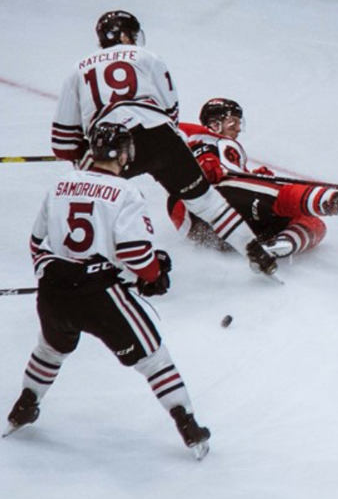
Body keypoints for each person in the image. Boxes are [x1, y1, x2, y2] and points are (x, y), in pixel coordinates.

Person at [4, 123, 211, 460]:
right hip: (101, 296)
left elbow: (37, 243)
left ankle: (23, 408)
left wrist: (56, 273)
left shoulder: (59, 186)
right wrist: (153, 273)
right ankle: (189, 428)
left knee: (50, 349)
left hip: (53, 293)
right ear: (126, 154)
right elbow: (134, 252)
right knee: (154, 359)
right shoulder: (125, 192)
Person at [50, 10, 278, 276]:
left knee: (86, 196)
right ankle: (257, 255)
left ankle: (81, 261)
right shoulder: (149, 58)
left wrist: (86, 157)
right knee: (206, 202)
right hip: (161, 136)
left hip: (113, 145)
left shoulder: (78, 69)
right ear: (125, 35)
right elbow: (170, 114)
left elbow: (62, 142)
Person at [167, 97, 338, 258]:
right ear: (215, 123)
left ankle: (280, 245)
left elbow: (228, 175)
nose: (237, 129)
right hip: (199, 205)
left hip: (218, 233)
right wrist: (201, 160)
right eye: (232, 122)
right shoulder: (203, 136)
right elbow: (169, 136)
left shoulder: (226, 149)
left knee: (310, 222)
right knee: (281, 195)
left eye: (238, 123)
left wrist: (252, 177)